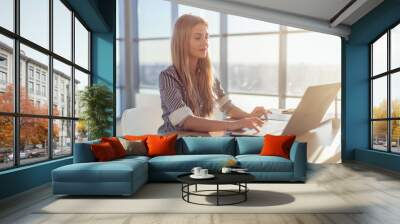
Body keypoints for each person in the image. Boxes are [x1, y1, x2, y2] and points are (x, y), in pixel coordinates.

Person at [158, 14, 269, 134]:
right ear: (182, 41)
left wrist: (249, 116)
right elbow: (186, 121)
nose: (205, 43)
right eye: (197, 38)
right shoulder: (168, 77)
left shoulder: (207, 74)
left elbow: (227, 106)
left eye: (206, 37)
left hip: (199, 140)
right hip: (175, 143)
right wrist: (236, 124)